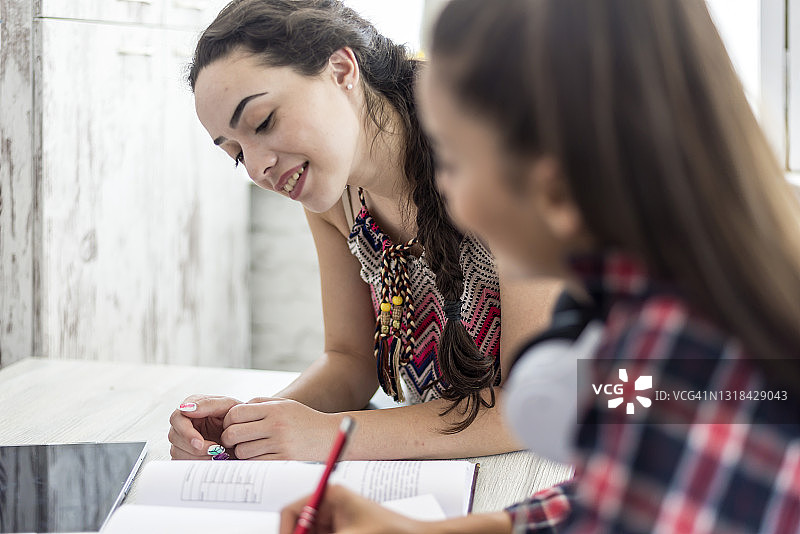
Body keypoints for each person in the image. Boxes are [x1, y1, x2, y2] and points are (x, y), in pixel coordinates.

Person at [279, 0, 800, 531]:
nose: (444, 194)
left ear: (551, 189)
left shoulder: (670, 361)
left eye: (453, 161)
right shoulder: (654, 310)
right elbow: (612, 497)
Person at [167, 0, 561, 462]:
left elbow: (532, 404)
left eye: (263, 122)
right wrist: (255, 423)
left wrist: (333, 435)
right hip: (461, 468)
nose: (257, 167)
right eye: (235, 152)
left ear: (340, 69)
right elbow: (351, 362)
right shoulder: (333, 199)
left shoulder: (507, 157)